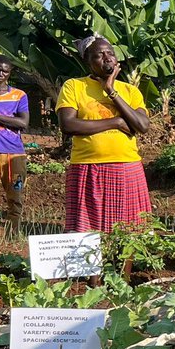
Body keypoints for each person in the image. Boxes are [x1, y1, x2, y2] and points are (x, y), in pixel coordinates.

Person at [56, 36, 152, 233]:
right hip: (87, 167)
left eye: (110, 53)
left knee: (129, 231)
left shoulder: (130, 90)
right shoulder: (74, 86)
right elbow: (68, 124)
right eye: (99, 55)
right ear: (87, 61)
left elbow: (142, 125)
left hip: (126, 166)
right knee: (87, 234)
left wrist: (110, 91)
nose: (107, 58)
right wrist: (117, 122)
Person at [0, 56, 30, 235]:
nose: (0, 74)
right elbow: (16, 122)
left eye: (5, 71)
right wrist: (11, 120)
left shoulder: (19, 95)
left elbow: (23, 123)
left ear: (10, 72)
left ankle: (13, 233)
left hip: (14, 152)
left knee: (15, 193)